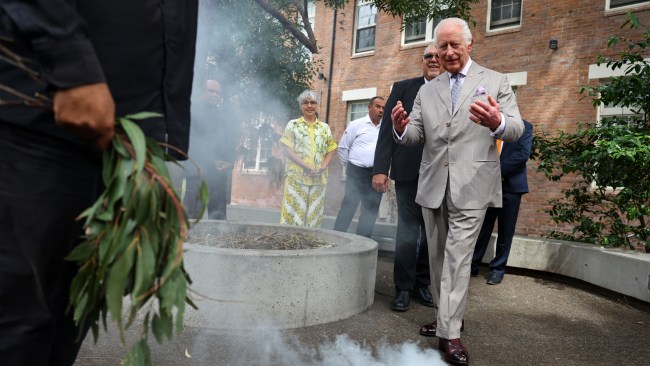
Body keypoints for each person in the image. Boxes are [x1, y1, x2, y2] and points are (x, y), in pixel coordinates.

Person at [0, 1, 197, 365]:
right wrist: (69, 60)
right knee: (15, 325)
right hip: (37, 111)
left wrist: (158, 134)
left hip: (118, 143)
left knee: (63, 328)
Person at [391, 17, 524, 365]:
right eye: (442, 47)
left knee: (457, 259)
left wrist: (498, 123)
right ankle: (446, 317)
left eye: (454, 45)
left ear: (470, 44)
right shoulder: (427, 89)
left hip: (473, 186)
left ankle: (449, 334)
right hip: (433, 184)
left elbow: (517, 127)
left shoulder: (495, 81)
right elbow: (416, 134)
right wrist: (401, 130)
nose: (447, 52)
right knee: (436, 260)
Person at [372, 44, 441, 312]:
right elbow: (387, 131)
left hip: (440, 174)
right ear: (422, 61)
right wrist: (381, 169)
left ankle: (422, 283)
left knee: (431, 234)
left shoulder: (455, 90)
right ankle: (402, 288)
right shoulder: (403, 87)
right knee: (408, 232)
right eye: (428, 56)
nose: (434, 59)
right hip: (408, 173)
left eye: (437, 56)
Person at [472, 120, 533, 284]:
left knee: (506, 230)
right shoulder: (486, 125)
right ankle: (472, 265)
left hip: (511, 187)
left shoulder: (524, 127)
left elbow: (522, 153)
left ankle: (497, 269)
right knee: (482, 227)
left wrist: (494, 171)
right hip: (486, 185)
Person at [279, 90, 337, 227]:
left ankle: (310, 245)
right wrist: (306, 166)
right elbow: (287, 149)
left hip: (318, 179)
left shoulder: (325, 128)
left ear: (317, 106)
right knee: (293, 214)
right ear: (301, 106)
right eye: (305, 103)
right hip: (296, 179)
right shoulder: (293, 125)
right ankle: (290, 244)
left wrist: (322, 168)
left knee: (314, 216)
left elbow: (331, 150)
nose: (309, 105)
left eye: (313, 102)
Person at [184, 79, 239, 220]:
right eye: (211, 91)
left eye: (217, 92)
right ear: (203, 92)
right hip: (198, 170)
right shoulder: (192, 111)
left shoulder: (223, 115)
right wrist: (209, 161)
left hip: (219, 173)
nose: (214, 94)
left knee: (218, 217)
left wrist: (230, 162)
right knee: (192, 215)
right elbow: (191, 141)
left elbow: (230, 140)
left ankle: (216, 241)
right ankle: (187, 240)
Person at [333, 96, 386, 237]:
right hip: (356, 172)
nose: (381, 110)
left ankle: (363, 244)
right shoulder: (356, 124)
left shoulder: (386, 128)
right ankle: (336, 239)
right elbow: (343, 148)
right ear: (369, 107)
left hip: (376, 174)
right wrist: (350, 167)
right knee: (349, 206)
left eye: (383, 108)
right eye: (378, 106)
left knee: (370, 209)